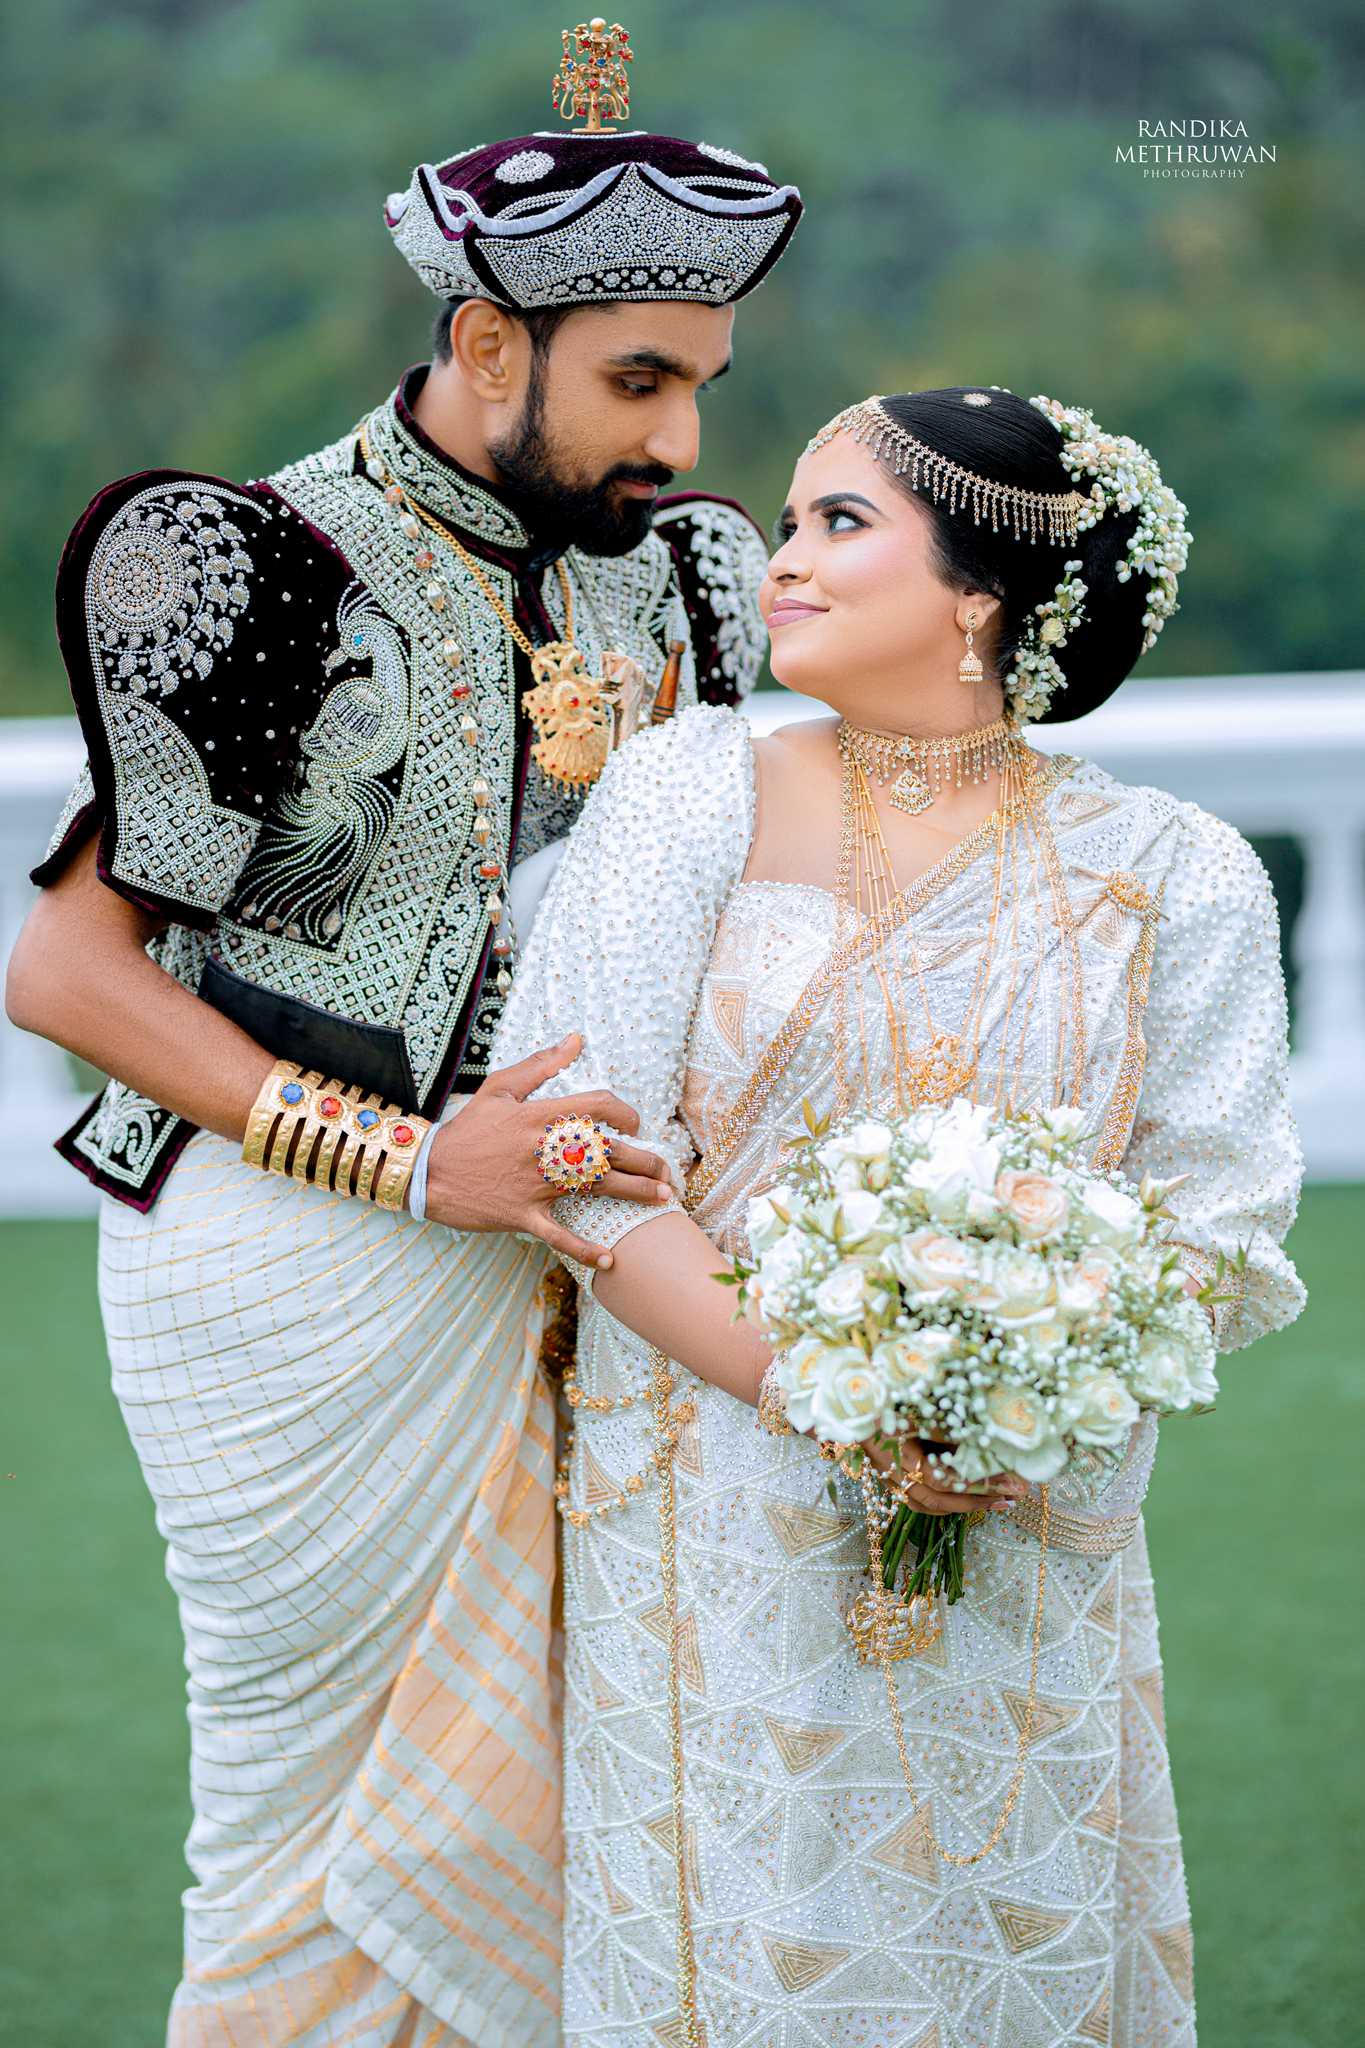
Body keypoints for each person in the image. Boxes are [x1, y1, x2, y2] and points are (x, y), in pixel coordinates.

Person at [3, 26, 804, 2044]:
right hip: (282, 1261)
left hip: (588, 1260)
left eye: (701, 388)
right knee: (295, 1835)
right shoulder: (257, 563)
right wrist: (415, 1160)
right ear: (485, 340)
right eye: (638, 383)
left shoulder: (688, 579)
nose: (677, 441)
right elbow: (69, 974)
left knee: (575, 1800)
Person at [490, 385, 1306, 2046]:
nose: (780, 562)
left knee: (998, 1939)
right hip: (712, 1495)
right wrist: (824, 1390)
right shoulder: (683, 794)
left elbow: (1219, 1228)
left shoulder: (1172, 870)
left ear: (980, 596)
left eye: (839, 524)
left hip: (1016, 1502)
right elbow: (578, 1156)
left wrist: (1016, 1381)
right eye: (791, 523)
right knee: (745, 1944)